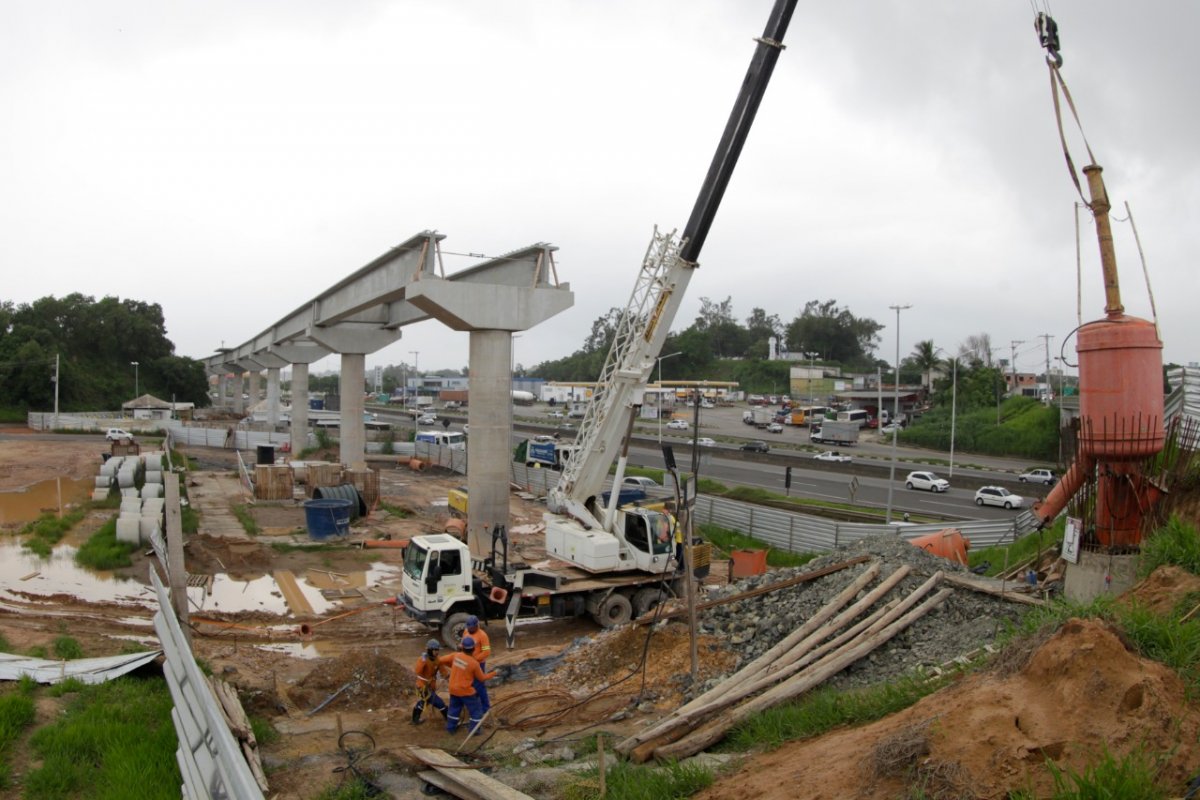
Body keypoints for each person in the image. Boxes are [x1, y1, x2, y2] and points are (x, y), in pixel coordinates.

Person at [441, 635, 496, 734]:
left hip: (453, 689)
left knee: (454, 709)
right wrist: (494, 673)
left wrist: (453, 666)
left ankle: (450, 729)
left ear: (462, 647)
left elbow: (441, 660)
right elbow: (482, 678)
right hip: (465, 691)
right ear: (474, 648)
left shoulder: (455, 656)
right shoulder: (474, 663)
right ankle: (475, 731)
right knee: (476, 711)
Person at [411, 639, 450, 724]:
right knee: (439, 703)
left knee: (424, 702)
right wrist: (423, 661)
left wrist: (448, 677)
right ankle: (450, 720)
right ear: (429, 650)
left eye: (437, 650)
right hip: (422, 687)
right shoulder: (423, 660)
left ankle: (415, 720)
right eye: (435, 650)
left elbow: (443, 671)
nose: (437, 652)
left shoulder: (438, 660)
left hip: (430, 686)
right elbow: (417, 671)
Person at [464, 615, 492, 715]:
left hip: (479, 664)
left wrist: (474, 660)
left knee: (480, 686)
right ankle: (475, 704)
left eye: (471, 628)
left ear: (476, 626)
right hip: (468, 664)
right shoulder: (466, 632)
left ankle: (485, 707)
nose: (469, 629)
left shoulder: (482, 635)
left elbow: (486, 652)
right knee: (470, 685)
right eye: (468, 627)